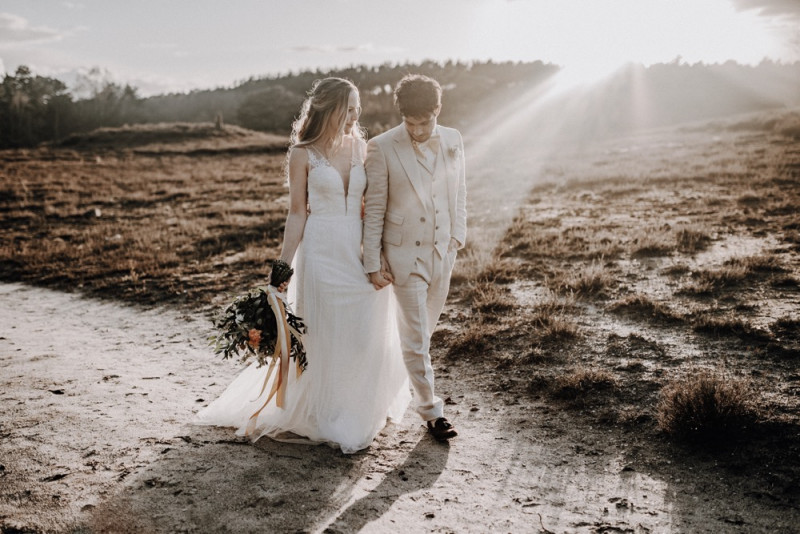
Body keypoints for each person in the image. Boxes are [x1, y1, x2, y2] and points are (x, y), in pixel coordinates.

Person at [195, 77, 410, 454]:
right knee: (323, 332)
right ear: (329, 108)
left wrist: (381, 253)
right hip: (321, 251)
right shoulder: (302, 154)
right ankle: (327, 409)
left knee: (364, 325)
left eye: (358, 108)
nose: (356, 115)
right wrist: (282, 268)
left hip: (357, 253)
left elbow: (375, 206)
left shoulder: (364, 148)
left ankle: (357, 401)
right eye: (349, 108)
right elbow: (297, 214)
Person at [363, 74, 467, 442]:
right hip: (404, 254)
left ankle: (396, 377)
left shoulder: (453, 139)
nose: (418, 130)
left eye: (424, 122)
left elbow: (459, 192)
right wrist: (373, 259)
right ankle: (432, 412)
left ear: (437, 110)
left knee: (423, 332)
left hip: (443, 252)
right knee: (417, 337)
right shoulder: (381, 146)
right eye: (410, 123)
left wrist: (457, 236)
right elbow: (374, 206)